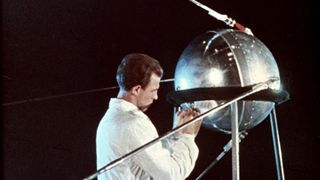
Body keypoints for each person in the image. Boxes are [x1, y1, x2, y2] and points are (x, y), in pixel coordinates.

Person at [96, 53, 202, 180]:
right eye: (154, 90)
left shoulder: (111, 117)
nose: (156, 97)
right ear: (136, 90)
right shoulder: (134, 123)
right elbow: (172, 175)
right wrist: (187, 137)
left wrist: (176, 135)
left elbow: (152, 158)